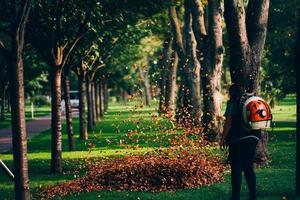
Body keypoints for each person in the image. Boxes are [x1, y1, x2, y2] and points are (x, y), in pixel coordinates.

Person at [220, 84, 258, 200]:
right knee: (248, 167)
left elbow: (228, 124)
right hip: (252, 139)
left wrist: (223, 139)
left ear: (232, 93)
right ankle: (253, 196)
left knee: (236, 167)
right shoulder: (249, 102)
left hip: (237, 140)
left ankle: (235, 196)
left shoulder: (232, 104)